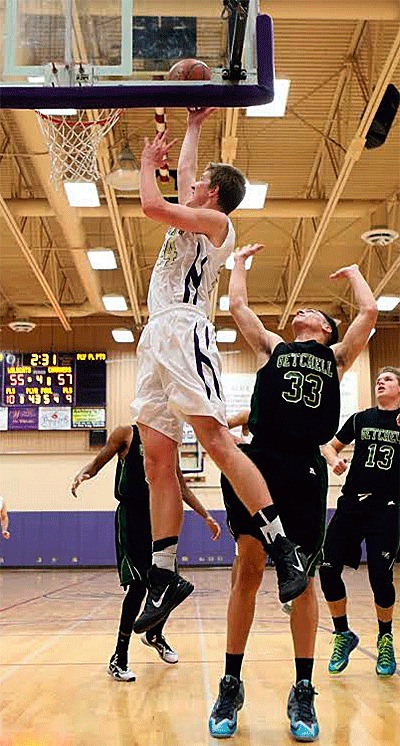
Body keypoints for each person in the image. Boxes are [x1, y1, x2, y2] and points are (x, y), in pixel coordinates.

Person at [131, 108, 309, 636]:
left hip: (185, 331)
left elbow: (150, 203)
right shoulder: (199, 205)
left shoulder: (218, 223)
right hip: (154, 337)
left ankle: (283, 545)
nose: (193, 183)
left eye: (200, 183)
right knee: (156, 461)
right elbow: (185, 176)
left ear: (212, 194)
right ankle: (165, 575)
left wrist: (146, 164)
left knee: (216, 441)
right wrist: (192, 125)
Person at [208, 244, 377, 741]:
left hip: (305, 466)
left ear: (325, 329)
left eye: (312, 312)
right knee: (250, 563)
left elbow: (367, 312)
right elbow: (238, 307)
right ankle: (231, 681)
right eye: (298, 310)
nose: (300, 311)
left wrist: (353, 273)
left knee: (300, 576)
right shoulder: (272, 348)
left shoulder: (337, 355)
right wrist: (238, 263)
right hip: (260, 459)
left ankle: (303, 688)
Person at [71, 423, 220, 682]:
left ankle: (154, 634)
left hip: (158, 517)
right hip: (131, 518)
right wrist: (84, 473)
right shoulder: (126, 434)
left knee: (166, 583)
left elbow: (180, 487)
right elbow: (98, 461)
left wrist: (205, 515)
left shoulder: (168, 442)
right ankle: (119, 658)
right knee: (138, 587)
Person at [320, 366, 400, 678]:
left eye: (389, 379)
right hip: (352, 504)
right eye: (379, 379)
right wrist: (333, 460)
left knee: (381, 576)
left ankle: (385, 638)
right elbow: (328, 444)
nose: (381, 382)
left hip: (387, 508)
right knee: (327, 569)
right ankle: (342, 634)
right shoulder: (360, 419)